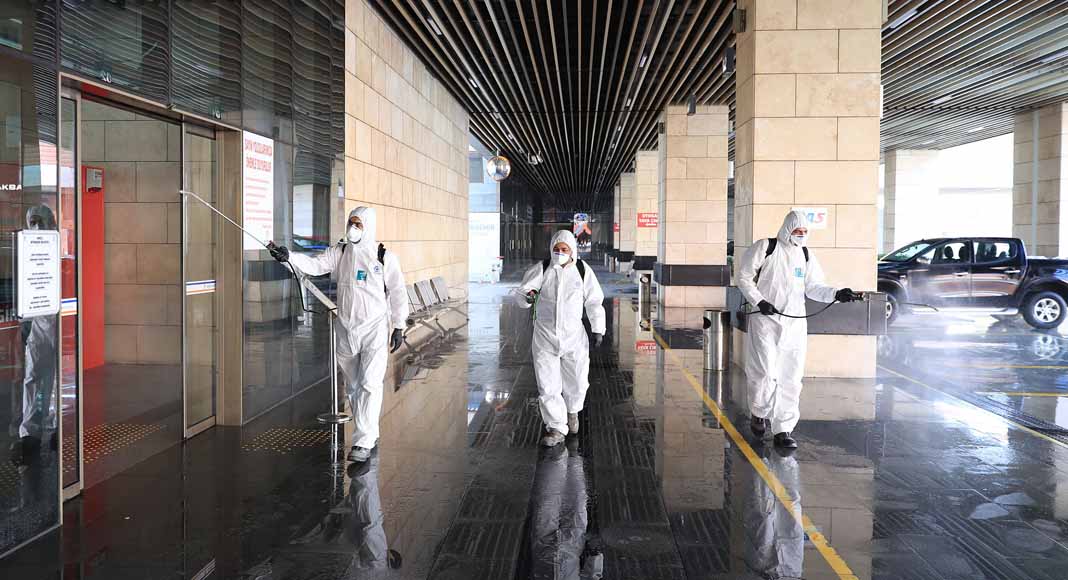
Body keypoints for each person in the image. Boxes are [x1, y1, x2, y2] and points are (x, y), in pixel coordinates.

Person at [268, 207, 408, 462]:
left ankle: (363, 441)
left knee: (370, 383)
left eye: (358, 224)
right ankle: (370, 432)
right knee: (353, 386)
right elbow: (315, 265)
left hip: (374, 328)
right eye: (351, 222)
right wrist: (288, 258)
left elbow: (398, 290)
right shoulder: (341, 251)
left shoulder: (383, 256)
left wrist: (399, 325)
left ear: (368, 227)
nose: (353, 228)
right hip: (345, 328)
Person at [736, 210, 861, 449]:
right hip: (765, 321)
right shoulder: (766, 247)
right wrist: (759, 301)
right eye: (797, 230)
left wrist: (836, 294)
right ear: (787, 229)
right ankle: (759, 412)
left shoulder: (805, 255)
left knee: (791, 377)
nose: (801, 235)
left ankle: (783, 429)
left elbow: (814, 287)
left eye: (804, 231)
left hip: (794, 325)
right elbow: (743, 277)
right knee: (764, 372)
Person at [516, 230, 605, 447]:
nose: (560, 253)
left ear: (572, 250)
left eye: (564, 249)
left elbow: (594, 301)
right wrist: (528, 297)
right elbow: (523, 292)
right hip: (545, 336)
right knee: (548, 385)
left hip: (574, 337)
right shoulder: (542, 269)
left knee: (578, 381)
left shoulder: (583, 271)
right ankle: (556, 427)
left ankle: (573, 411)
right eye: (556, 249)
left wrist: (598, 328)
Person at [9, 205, 59, 466]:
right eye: (34, 222)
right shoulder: (28, 252)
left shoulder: (59, 254)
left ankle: (58, 427)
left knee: (61, 380)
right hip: (39, 326)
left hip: (59, 323)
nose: (38, 227)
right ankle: (31, 432)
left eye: (42, 221)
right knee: (35, 377)